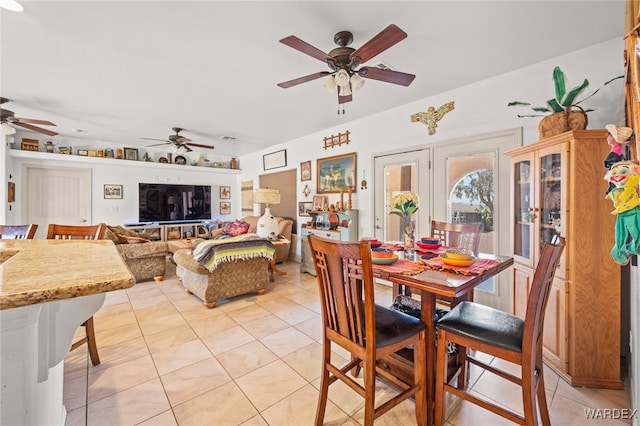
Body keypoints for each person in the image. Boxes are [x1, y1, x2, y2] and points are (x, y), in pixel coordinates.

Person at [604, 124, 634, 194]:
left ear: (614, 138)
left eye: (610, 135)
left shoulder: (617, 150)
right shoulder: (615, 149)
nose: (608, 138)